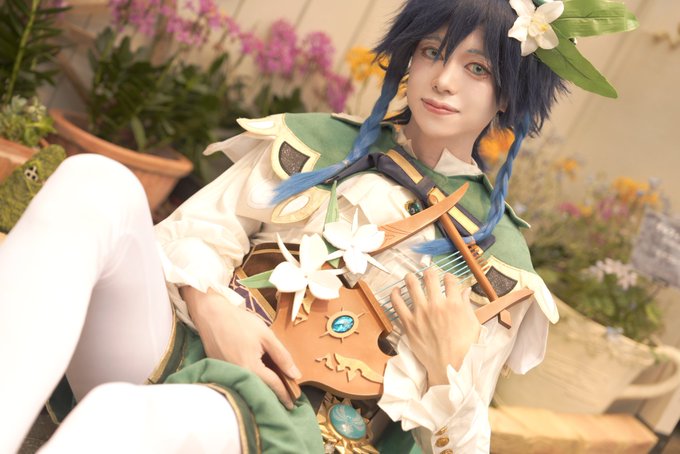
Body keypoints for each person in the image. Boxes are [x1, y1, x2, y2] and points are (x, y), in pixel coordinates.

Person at [0, 0, 637, 452]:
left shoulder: (501, 262)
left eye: (477, 68)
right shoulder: (317, 143)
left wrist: (448, 364)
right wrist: (212, 307)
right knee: (95, 180)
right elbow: (192, 236)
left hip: (288, 423)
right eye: (432, 52)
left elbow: (460, 445)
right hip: (178, 345)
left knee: (121, 416)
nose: (443, 80)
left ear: (509, 92)